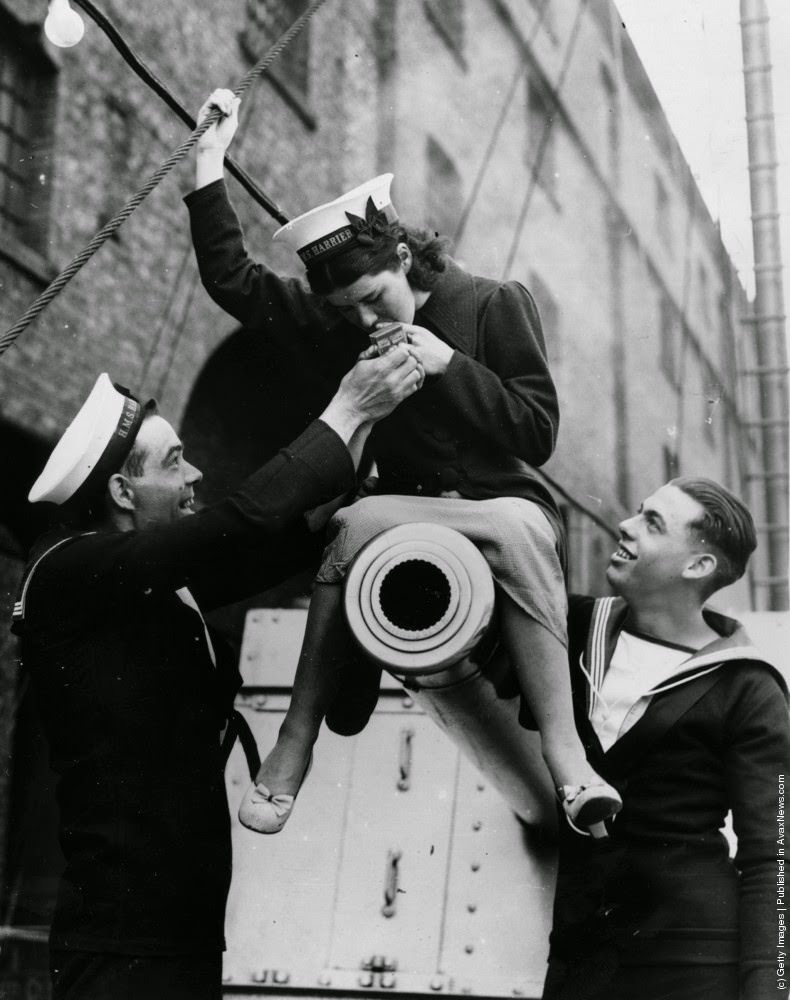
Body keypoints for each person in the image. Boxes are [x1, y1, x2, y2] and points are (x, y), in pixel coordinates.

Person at [184, 89, 621, 836]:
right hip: (404, 511)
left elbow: (537, 431)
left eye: (372, 296)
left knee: (516, 530)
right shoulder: (342, 321)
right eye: (347, 308)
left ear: (405, 255)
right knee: (352, 523)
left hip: (503, 507)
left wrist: (452, 365)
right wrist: (207, 163)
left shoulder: (492, 304)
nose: (364, 319)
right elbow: (235, 283)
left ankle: (568, 758)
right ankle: (295, 741)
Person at [11, 353, 422, 1000]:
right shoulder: (71, 570)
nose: (196, 474)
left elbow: (281, 539)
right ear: (122, 492)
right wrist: (345, 411)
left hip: (184, 932)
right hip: (121, 947)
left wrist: (365, 476)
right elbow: (240, 524)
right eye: (176, 462)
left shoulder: (149, 582)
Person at [542, 477, 790, 1000]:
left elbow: (775, 854)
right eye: (638, 511)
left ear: (697, 566)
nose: (626, 526)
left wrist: (770, 987)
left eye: (652, 523)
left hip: (692, 961)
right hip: (582, 953)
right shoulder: (570, 630)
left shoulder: (747, 685)